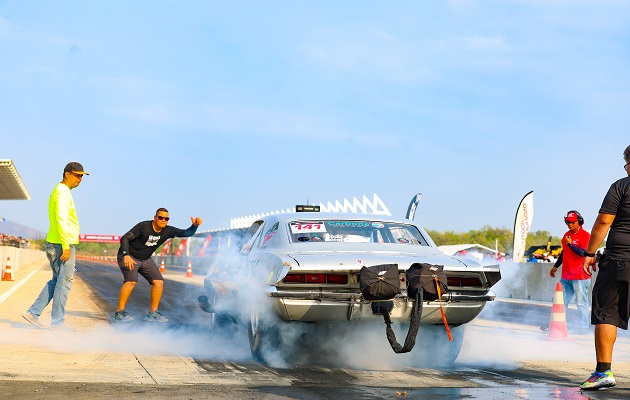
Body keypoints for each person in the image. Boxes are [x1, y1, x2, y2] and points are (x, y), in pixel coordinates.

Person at [580, 145, 630, 390]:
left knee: (607, 313)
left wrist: (590, 253)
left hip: (619, 260)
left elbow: (603, 221)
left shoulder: (621, 186)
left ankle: (603, 373)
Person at [22, 162, 89, 331]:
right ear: (67, 174)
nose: (80, 179)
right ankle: (57, 323)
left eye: (82, 176)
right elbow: (61, 220)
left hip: (57, 241)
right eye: (77, 175)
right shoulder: (63, 192)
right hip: (61, 243)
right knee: (65, 282)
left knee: (57, 280)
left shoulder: (59, 191)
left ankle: (33, 313)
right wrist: (66, 245)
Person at [114, 208, 202, 323]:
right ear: (155, 218)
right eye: (161, 217)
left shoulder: (168, 230)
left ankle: (152, 313)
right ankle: (119, 313)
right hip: (129, 256)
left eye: (166, 219)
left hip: (145, 259)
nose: (163, 220)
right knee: (131, 281)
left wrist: (194, 226)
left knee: (159, 281)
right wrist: (125, 255)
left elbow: (186, 233)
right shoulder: (143, 226)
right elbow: (125, 238)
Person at [549, 211, 591, 334]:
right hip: (566, 275)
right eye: (567, 222)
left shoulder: (585, 236)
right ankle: (558, 326)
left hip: (580, 276)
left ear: (579, 222)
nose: (569, 224)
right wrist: (555, 266)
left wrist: (571, 244)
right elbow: (564, 253)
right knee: (561, 302)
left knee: (581, 303)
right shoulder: (566, 235)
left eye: (572, 222)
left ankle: (583, 328)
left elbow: (584, 253)